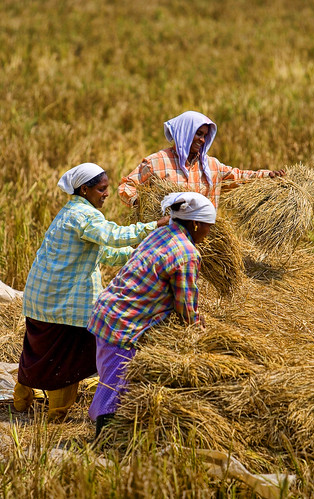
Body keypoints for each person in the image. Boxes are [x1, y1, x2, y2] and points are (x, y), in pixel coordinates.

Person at [13, 163, 169, 421]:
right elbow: (113, 236)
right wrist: (154, 227)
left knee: (37, 353)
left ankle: (21, 400)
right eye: (101, 189)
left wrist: (140, 255)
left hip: (42, 299)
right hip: (61, 306)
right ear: (84, 189)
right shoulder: (84, 216)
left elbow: (104, 251)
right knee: (67, 358)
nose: (106, 194)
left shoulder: (71, 212)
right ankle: (56, 415)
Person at [87, 191, 216, 437]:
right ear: (196, 223)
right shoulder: (187, 254)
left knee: (110, 378)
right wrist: (201, 331)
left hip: (108, 310)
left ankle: (109, 429)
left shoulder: (161, 233)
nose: (208, 235)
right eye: (208, 228)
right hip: (124, 324)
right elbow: (186, 308)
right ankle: (104, 441)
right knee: (116, 387)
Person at [118, 110, 285, 209]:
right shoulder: (156, 162)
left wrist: (267, 175)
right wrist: (144, 206)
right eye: (198, 134)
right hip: (165, 241)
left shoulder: (211, 166)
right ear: (185, 133)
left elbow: (239, 177)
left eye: (205, 136)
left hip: (201, 239)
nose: (202, 140)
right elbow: (127, 186)